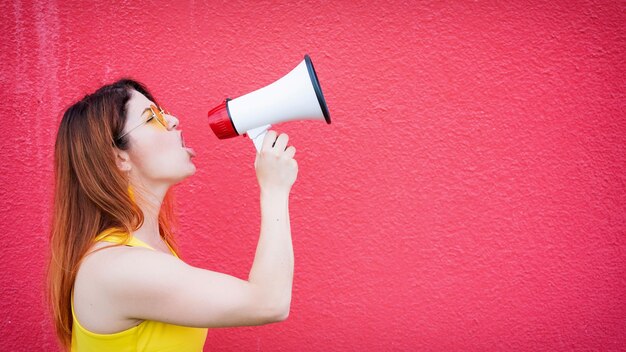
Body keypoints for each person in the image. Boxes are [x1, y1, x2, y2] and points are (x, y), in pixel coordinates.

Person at [46, 79, 297, 351]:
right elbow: (269, 303)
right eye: (152, 117)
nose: (173, 120)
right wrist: (274, 189)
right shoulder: (118, 267)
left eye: (163, 112)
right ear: (118, 158)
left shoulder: (144, 252)